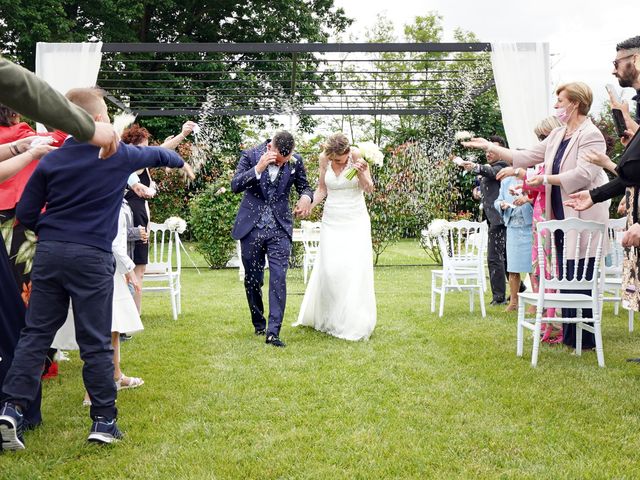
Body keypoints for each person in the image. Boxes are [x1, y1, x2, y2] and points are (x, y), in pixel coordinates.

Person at [0, 87, 193, 451]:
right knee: (95, 340)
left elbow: (25, 214)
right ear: (102, 120)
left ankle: (11, 409)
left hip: (51, 254)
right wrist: (181, 161)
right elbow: (161, 155)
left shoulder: (52, 161)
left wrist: (51, 233)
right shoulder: (119, 155)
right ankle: (103, 421)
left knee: (35, 335)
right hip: (91, 258)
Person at [465, 82, 610, 350]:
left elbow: (583, 175)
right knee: (566, 273)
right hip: (558, 215)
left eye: (560, 100)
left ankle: (584, 339)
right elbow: (526, 156)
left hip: (582, 212)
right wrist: (492, 148)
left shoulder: (591, 135)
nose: (555, 105)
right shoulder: (557, 135)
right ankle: (569, 336)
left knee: (579, 273)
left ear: (575, 103)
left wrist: (542, 178)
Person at [231, 131, 313, 348]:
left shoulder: (296, 161)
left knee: (278, 277)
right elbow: (235, 185)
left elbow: (305, 186)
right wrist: (257, 168)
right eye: (278, 159)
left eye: (284, 161)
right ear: (270, 148)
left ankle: (273, 332)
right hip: (252, 228)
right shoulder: (250, 155)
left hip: (279, 229)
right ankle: (259, 322)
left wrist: (306, 198)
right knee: (253, 279)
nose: (281, 163)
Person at [293, 133, 377, 340]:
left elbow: (369, 188)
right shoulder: (325, 159)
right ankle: (330, 319)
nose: (334, 162)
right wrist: (309, 207)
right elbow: (322, 189)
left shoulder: (357, 155)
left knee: (352, 270)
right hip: (332, 220)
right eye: (331, 159)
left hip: (355, 219)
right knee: (330, 269)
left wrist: (363, 173)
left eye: (338, 160)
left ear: (348, 153)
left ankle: (352, 321)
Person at [122, 121, 196, 313]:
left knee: (139, 271)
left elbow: (159, 152)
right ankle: (130, 315)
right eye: (143, 147)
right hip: (134, 223)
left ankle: (133, 315)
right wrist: (182, 135)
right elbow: (160, 152)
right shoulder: (132, 163)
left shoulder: (138, 163)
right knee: (134, 270)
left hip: (140, 221)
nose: (146, 151)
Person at [458, 135, 509, 305]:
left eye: (492, 150)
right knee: (506, 258)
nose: (488, 153)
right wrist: (476, 192)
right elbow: (484, 186)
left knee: (494, 257)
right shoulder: (490, 167)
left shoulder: (502, 165)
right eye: (486, 150)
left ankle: (499, 297)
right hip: (492, 218)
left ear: (501, 152)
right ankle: (520, 290)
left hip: (500, 219)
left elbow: (493, 174)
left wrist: (476, 167)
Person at [494, 176, 533, 312]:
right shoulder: (506, 181)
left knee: (532, 267)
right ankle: (514, 302)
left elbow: (539, 198)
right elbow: (497, 201)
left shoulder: (532, 177)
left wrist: (526, 199)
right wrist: (501, 205)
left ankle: (536, 303)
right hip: (512, 227)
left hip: (530, 227)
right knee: (512, 267)